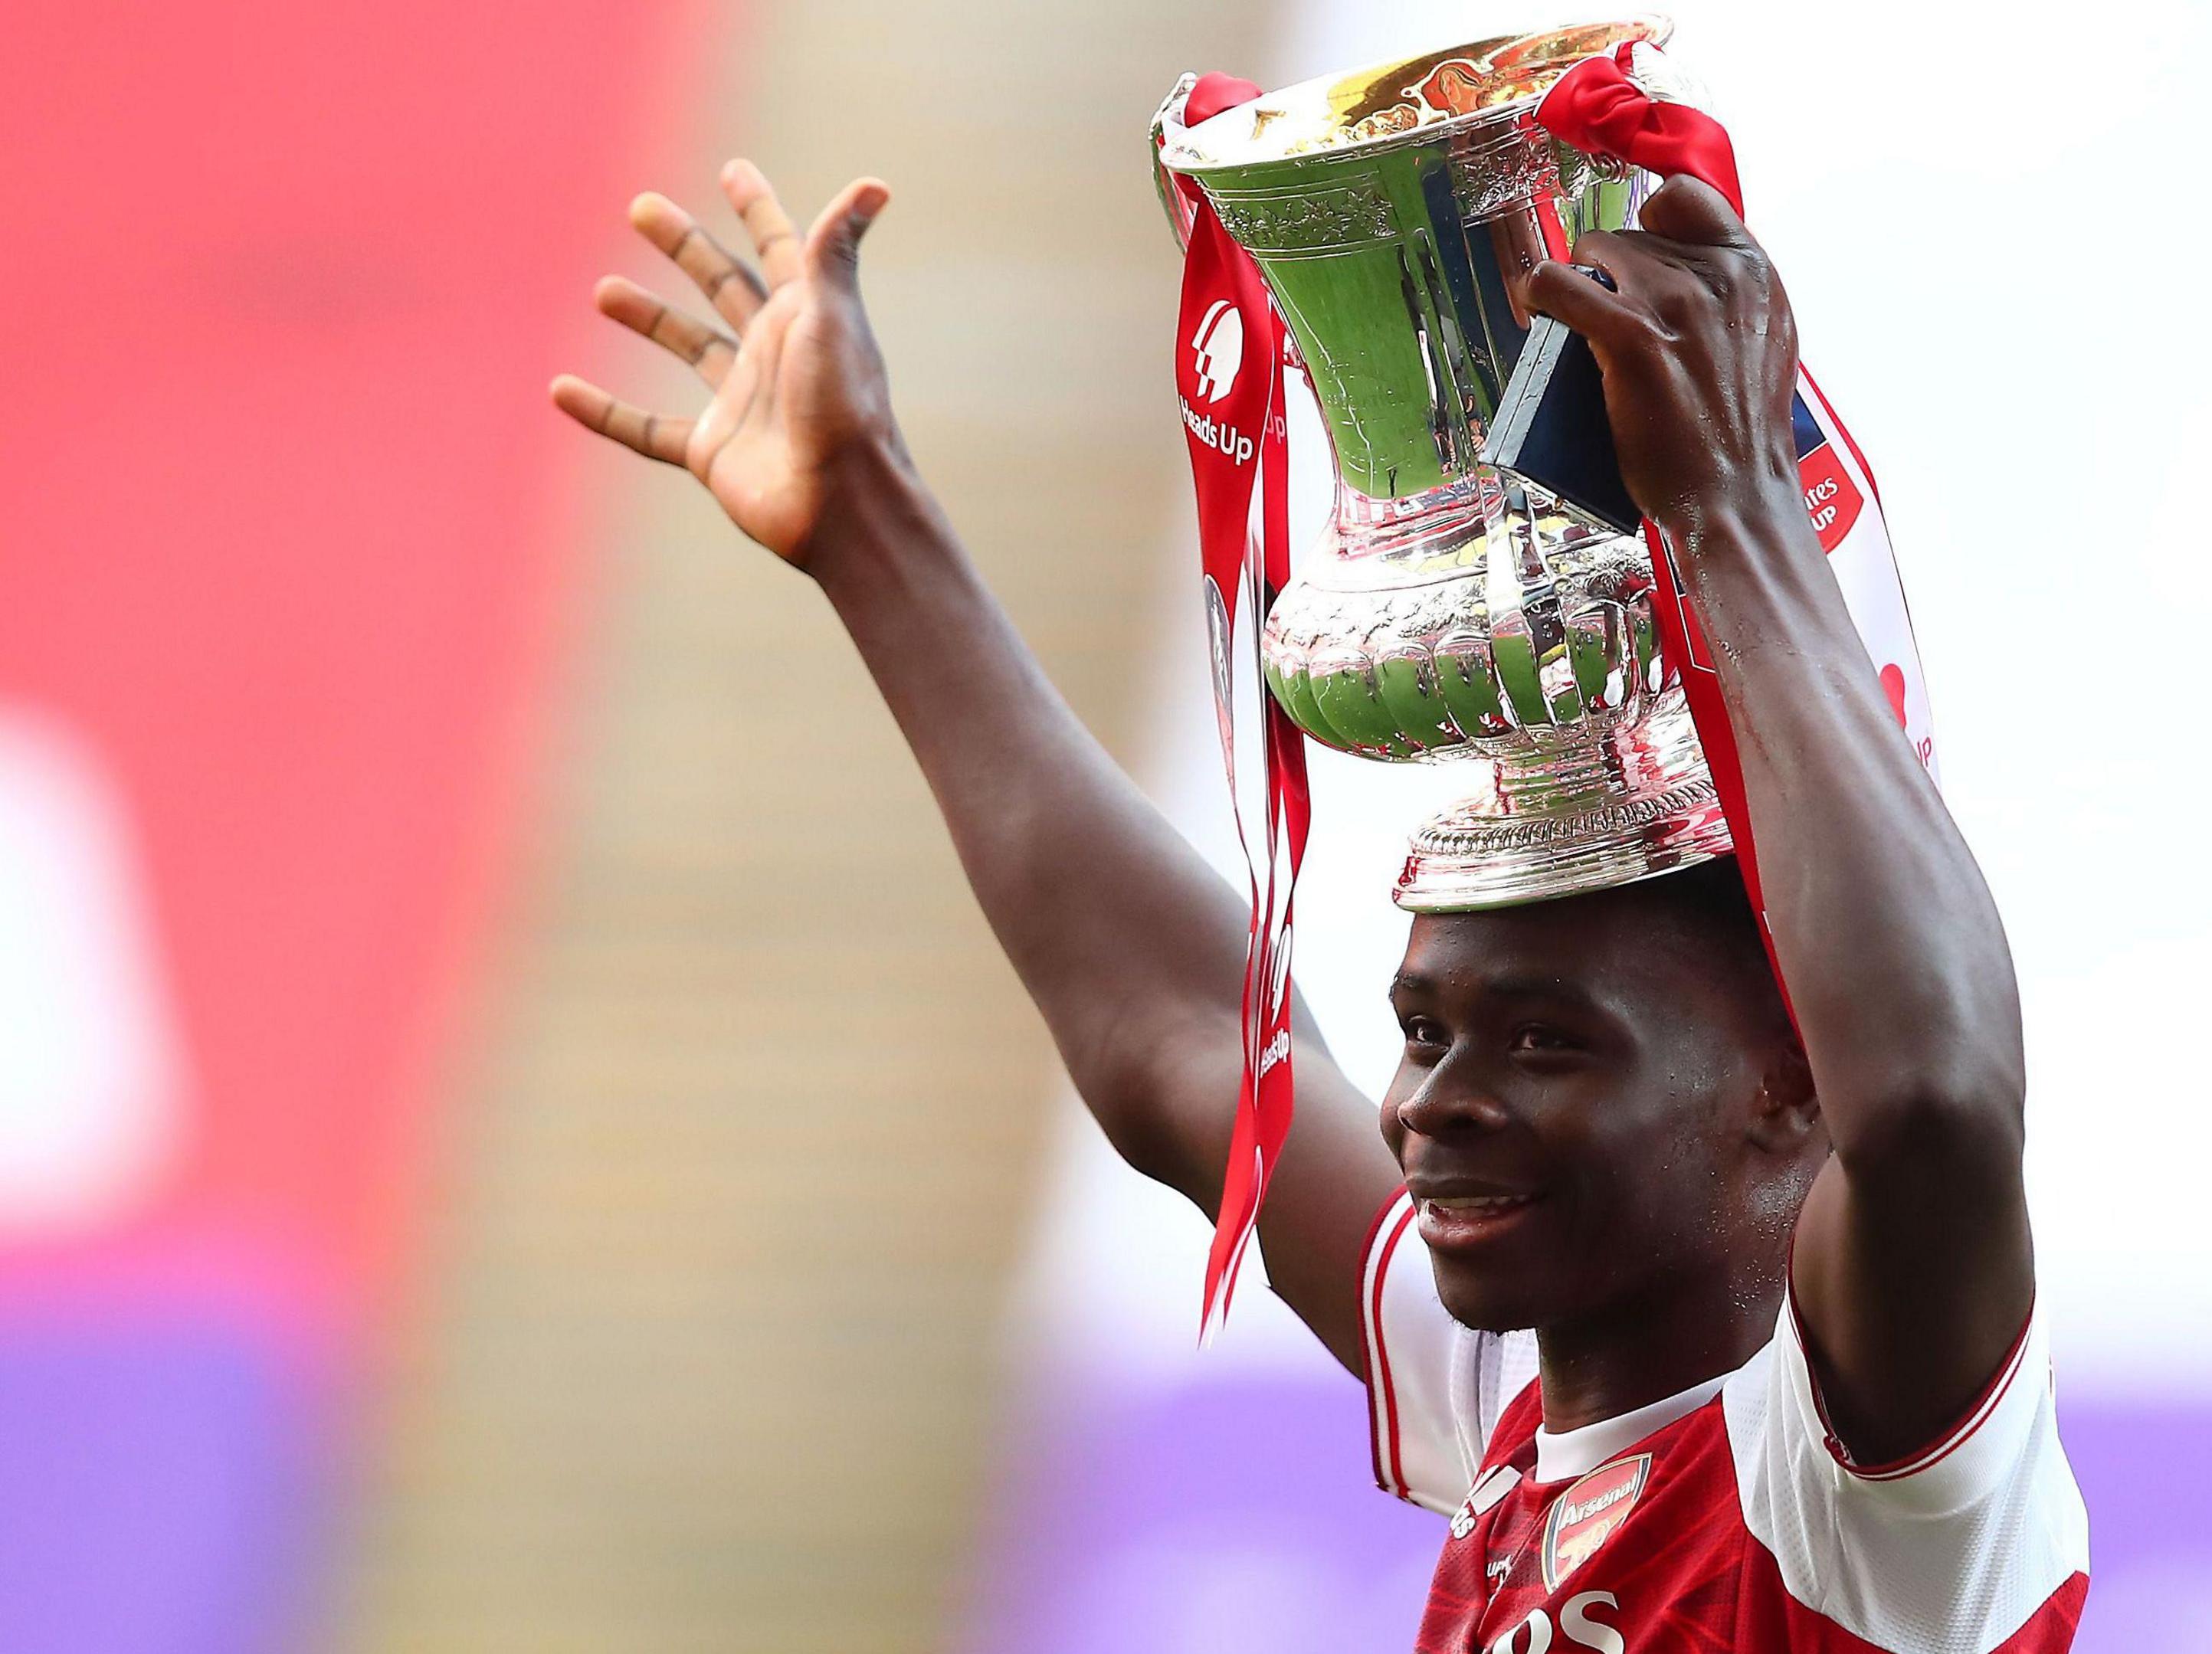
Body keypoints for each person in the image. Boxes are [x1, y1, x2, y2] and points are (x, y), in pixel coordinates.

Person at [551, 157, 2086, 1654]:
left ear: (1791, 1082)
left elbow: (1939, 1107)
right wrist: (862, 522)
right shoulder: (1513, 1403)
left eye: (1547, 1044)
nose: (1435, 1105)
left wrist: (1733, 509)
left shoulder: (1867, 1486)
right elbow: (1186, 1044)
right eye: (1424, 1029)